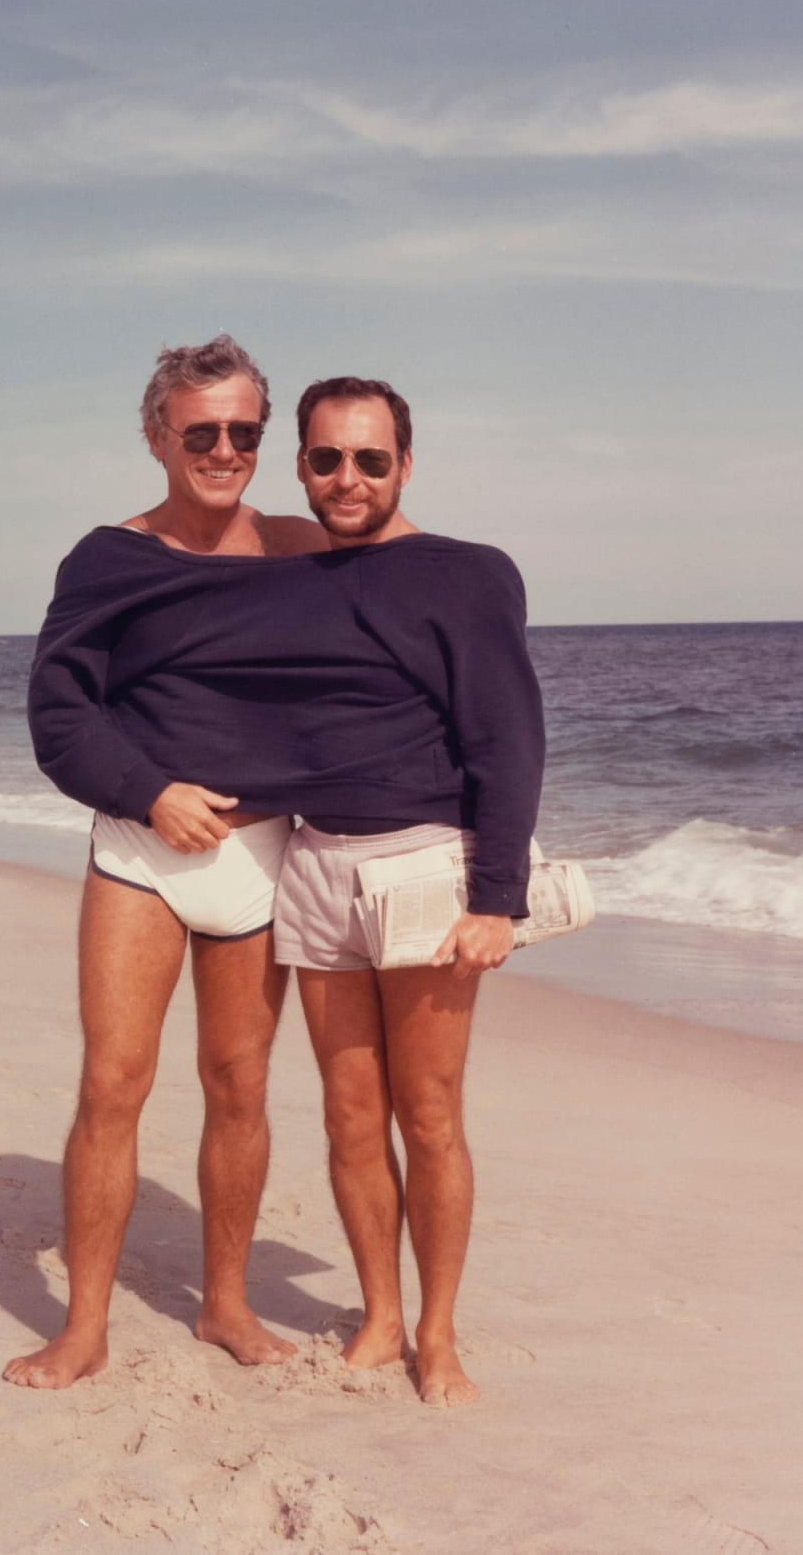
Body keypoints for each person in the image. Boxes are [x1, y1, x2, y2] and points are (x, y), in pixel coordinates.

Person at [5, 336, 326, 1389]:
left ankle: (224, 1302)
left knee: (239, 1084)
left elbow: (404, 614)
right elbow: (59, 711)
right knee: (112, 1082)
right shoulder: (108, 558)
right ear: (158, 436)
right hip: (143, 851)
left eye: (244, 431)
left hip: (265, 853)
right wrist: (150, 789)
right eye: (203, 431)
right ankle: (84, 1324)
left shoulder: (297, 548)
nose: (225, 448)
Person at [273, 376, 545, 1406]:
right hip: (311, 862)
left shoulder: (469, 574)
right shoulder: (287, 578)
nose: (348, 479)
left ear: (405, 464)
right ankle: (379, 1315)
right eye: (327, 458)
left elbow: (508, 738)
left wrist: (497, 898)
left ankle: (438, 1331)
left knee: (426, 1112)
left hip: (427, 864)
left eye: (370, 459)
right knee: (348, 1116)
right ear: (300, 463)